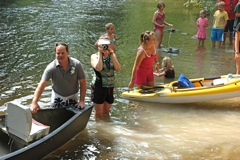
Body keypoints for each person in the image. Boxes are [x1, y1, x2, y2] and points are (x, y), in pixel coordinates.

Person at [31, 43, 87, 113]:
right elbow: (41, 85)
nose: (60, 55)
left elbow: (83, 83)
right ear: (55, 54)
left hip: (73, 96)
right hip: (57, 96)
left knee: (72, 118)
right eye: (58, 53)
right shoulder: (51, 67)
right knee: (54, 118)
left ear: (68, 52)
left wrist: (82, 101)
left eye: (63, 53)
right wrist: (34, 102)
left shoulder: (76, 64)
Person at [91, 38, 121, 120]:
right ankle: (97, 128)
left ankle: (107, 124)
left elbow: (118, 69)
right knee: (98, 113)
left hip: (110, 86)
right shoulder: (94, 56)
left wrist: (112, 54)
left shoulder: (112, 55)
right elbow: (99, 68)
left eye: (106, 46)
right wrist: (100, 54)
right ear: (98, 46)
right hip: (99, 86)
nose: (104, 47)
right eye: (102, 46)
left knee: (106, 112)